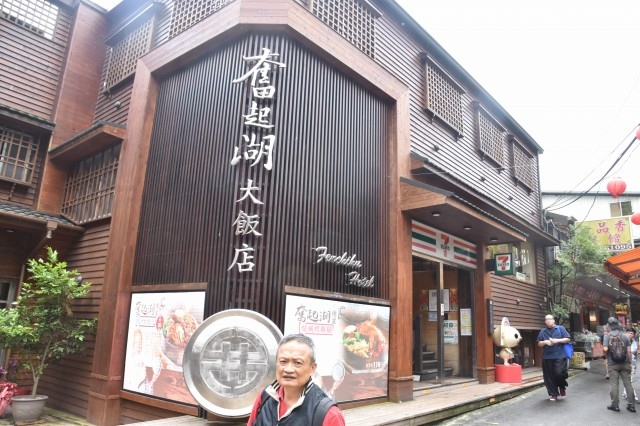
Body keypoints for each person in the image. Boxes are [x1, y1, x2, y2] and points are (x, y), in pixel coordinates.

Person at [247, 334, 346, 425]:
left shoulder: (329, 414)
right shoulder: (265, 395)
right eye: (283, 361)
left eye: (297, 363)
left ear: (312, 368)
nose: (288, 369)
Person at [603, 317, 636, 413]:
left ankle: (615, 405)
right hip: (625, 363)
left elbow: (605, 349)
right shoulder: (625, 336)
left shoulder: (607, 336)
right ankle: (631, 405)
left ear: (609, 326)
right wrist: (630, 362)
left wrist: (607, 355)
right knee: (628, 384)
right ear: (618, 325)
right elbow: (629, 352)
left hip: (613, 364)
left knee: (614, 384)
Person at [536, 314, 570, 401]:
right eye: (547, 319)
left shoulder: (560, 328)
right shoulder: (542, 331)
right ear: (545, 321)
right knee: (549, 377)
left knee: (559, 373)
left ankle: (562, 387)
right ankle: (553, 394)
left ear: (554, 320)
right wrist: (545, 342)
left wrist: (557, 340)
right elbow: (539, 343)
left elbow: (568, 339)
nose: (548, 321)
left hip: (560, 355)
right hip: (547, 356)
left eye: (550, 319)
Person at [622, 327, 640, 404]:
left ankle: (625, 394)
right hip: (625, 364)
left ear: (634, 335)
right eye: (629, 333)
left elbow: (635, 353)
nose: (630, 334)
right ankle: (634, 397)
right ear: (626, 333)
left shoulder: (635, 342)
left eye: (632, 333)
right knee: (630, 381)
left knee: (629, 380)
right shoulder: (622, 341)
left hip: (632, 364)